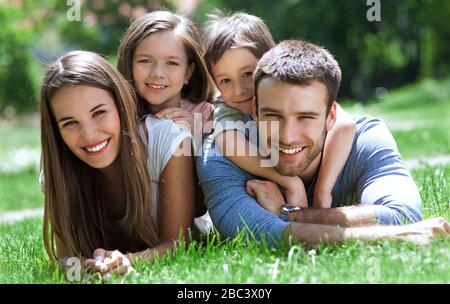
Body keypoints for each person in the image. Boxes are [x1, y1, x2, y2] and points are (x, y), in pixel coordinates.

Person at [196, 39, 450, 247]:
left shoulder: (366, 138)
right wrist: (391, 234)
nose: (287, 136)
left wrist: (288, 214)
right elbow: (262, 233)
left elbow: (402, 214)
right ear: (255, 110)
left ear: (331, 116)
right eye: (273, 115)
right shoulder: (218, 155)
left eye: (305, 117)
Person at [40, 51, 196, 279]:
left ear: (120, 104)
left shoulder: (168, 140)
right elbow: (66, 257)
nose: (90, 135)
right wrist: (90, 266)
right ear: (56, 131)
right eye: (70, 123)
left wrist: (127, 260)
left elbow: (179, 243)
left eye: (99, 113)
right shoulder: (57, 173)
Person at [202, 11, 356, 209]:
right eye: (225, 81)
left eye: (247, 74)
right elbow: (230, 144)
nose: (239, 90)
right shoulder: (226, 108)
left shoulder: (292, 91)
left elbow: (345, 125)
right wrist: (289, 182)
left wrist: (322, 192)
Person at [117, 10, 215, 143]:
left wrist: (198, 133)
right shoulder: (117, 115)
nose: (157, 73)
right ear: (129, 63)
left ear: (188, 72)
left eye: (171, 63)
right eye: (145, 61)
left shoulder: (205, 114)